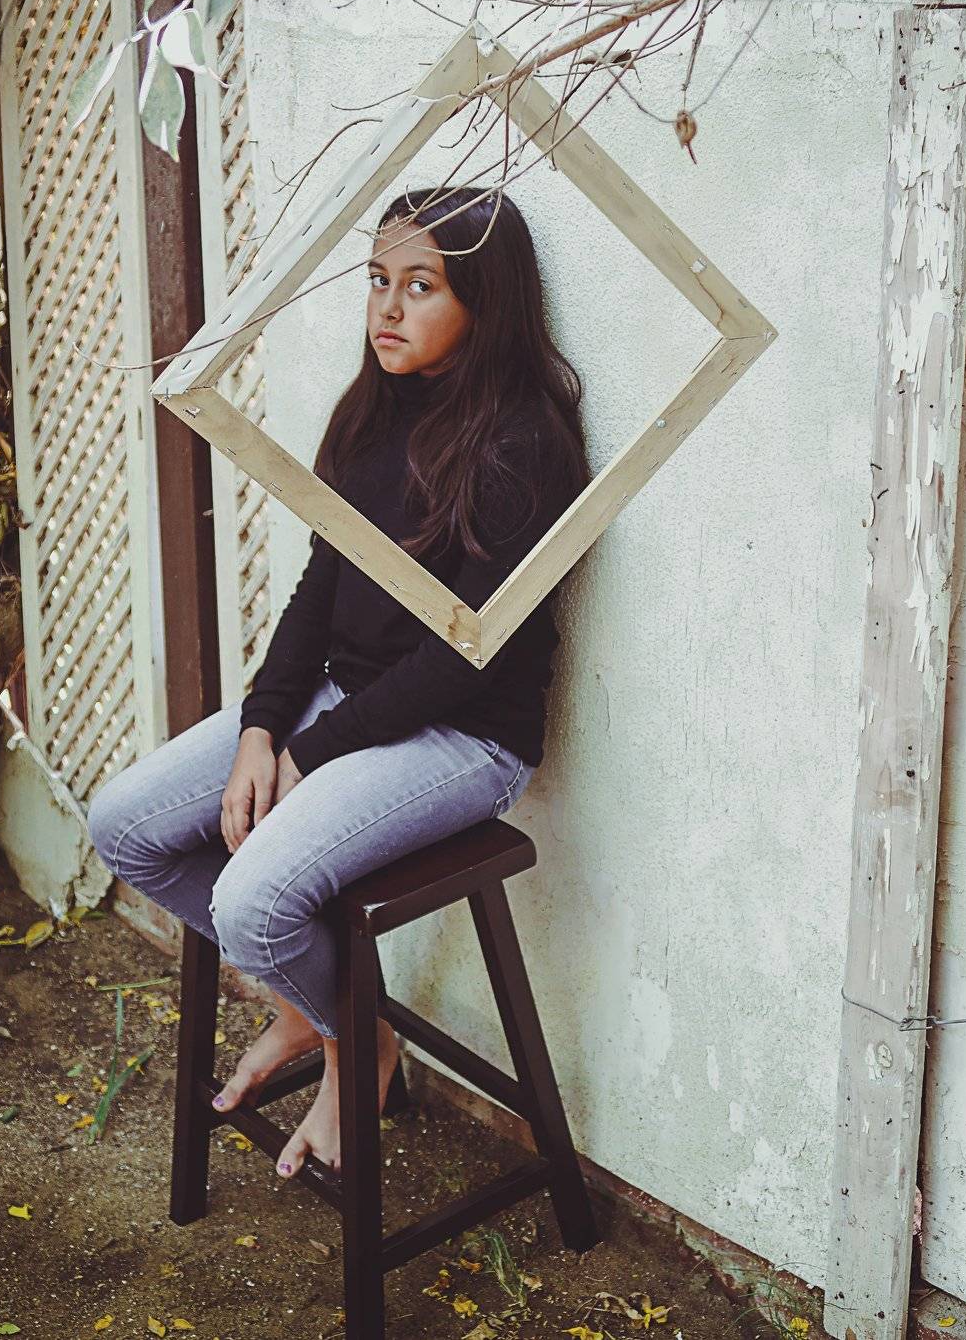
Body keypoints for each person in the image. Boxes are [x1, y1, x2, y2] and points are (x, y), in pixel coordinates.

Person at [87, 182, 591, 1179]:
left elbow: (462, 660)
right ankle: (329, 1020)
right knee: (126, 824)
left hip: (463, 737)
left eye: (420, 286)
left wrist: (309, 755)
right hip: (345, 705)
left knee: (252, 903)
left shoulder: (524, 445)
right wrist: (262, 731)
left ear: (485, 301)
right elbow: (320, 589)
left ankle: (354, 1049)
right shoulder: (371, 412)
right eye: (376, 280)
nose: (387, 309)